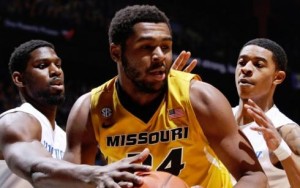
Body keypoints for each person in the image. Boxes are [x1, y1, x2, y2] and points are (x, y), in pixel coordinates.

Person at [63, 4, 268, 188]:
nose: (160, 56)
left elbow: (254, 176)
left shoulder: (200, 98)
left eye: (166, 47)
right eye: (146, 47)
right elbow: (70, 183)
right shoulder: (90, 109)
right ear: (116, 52)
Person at [0, 39, 152, 188]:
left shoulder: (64, 139)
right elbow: (36, 169)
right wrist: (97, 173)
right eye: (42, 65)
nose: (55, 71)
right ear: (19, 79)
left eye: (58, 64)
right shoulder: (15, 121)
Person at [232, 38, 300, 188]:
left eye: (258, 64)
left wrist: (281, 148)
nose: (246, 69)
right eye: (242, 62)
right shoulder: (220, 117)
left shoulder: (286, 130)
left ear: (278, 77)